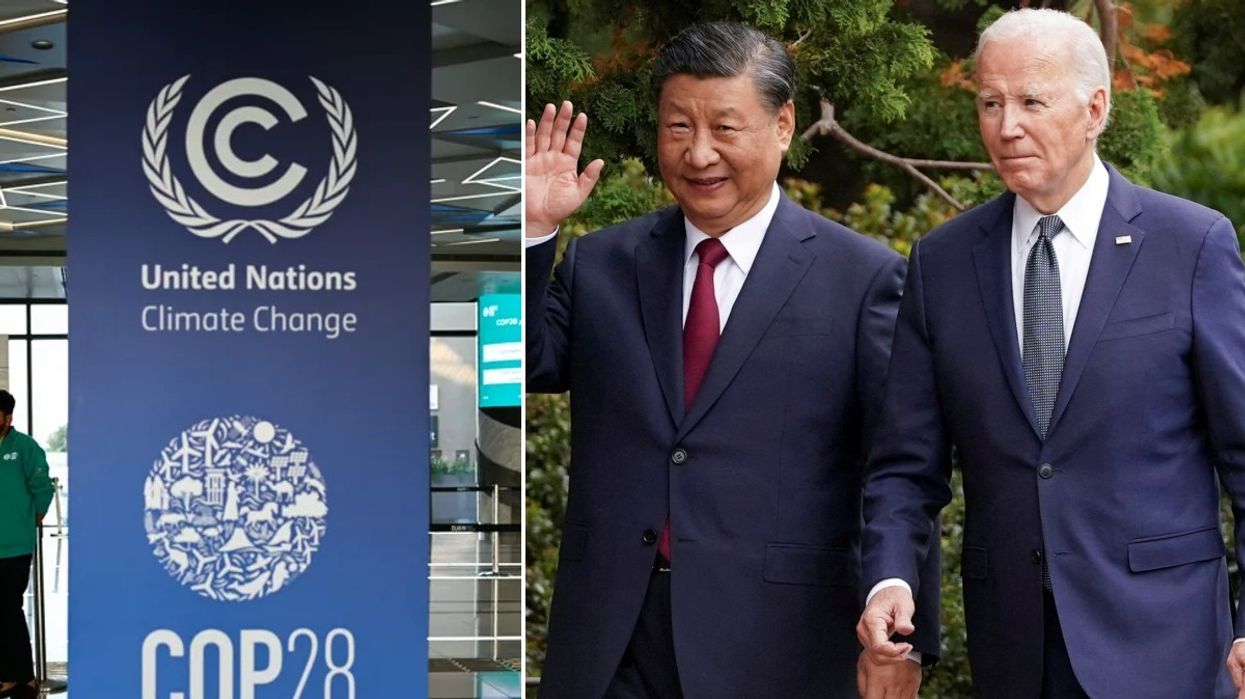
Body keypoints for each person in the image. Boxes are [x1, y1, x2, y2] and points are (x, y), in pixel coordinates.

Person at [526, 20, 939, 699]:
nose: (698, 153)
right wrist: (534, 232)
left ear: (782, 125)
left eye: (725, 128)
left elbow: (896, 467)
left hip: (778, 645)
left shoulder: (862, 280)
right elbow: (514, 370)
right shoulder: (603, 263)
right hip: (612, 641)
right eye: (678, 127)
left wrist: (904, 639)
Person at [857, 8, 1245, 698]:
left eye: (1031, 101)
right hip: (1013, 650)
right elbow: (903, 468)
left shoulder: (1189, 246)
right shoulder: (941, 263)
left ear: (1094, 108)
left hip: (1167, 648)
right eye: (989, 102)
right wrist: (889, 577)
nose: (1006, 126)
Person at [0, 390, 52, 699]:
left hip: (14, 547)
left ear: (8, 418)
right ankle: (7, 675)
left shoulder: (24, 447)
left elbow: (42, 489)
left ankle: (23, 677)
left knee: (9, 610)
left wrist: (27, 520)